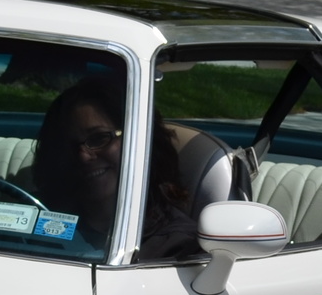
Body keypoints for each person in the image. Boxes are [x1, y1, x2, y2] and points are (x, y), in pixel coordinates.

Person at [26, 78, 200, 261]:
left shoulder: (176, 246)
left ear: (142, 141)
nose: (83, 156)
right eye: (67, 146)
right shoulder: (34, 213)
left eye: (99, 138)